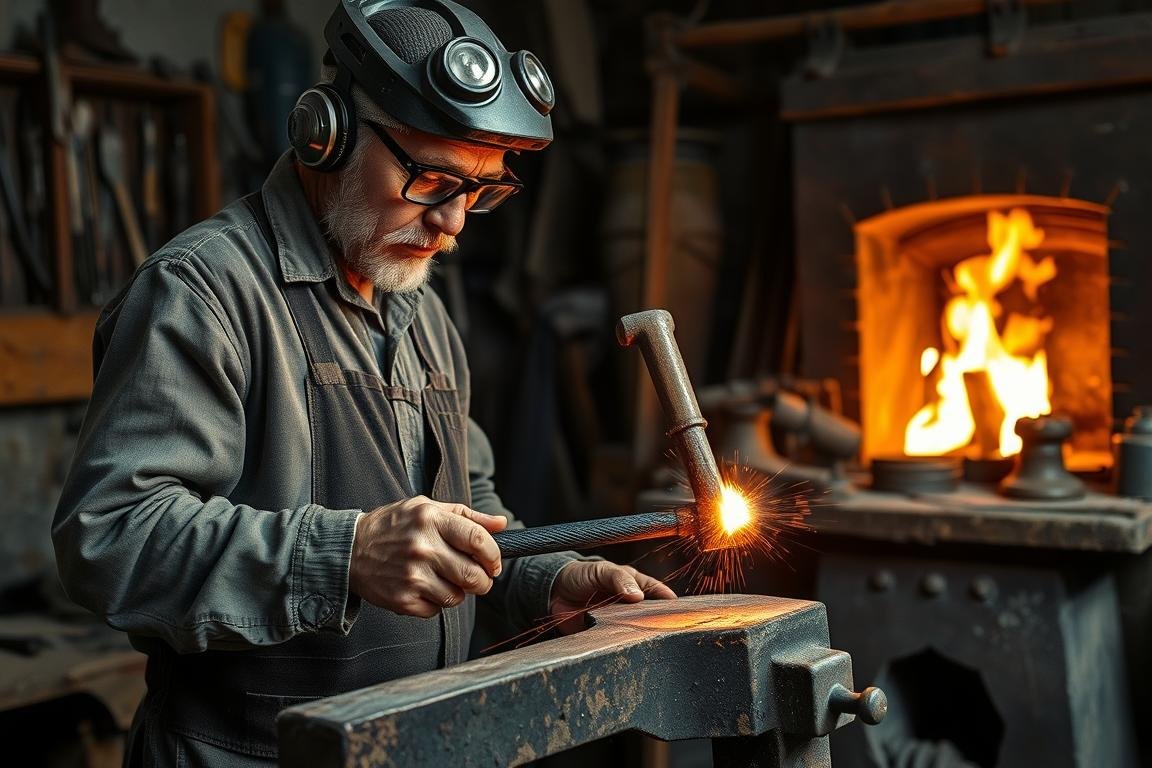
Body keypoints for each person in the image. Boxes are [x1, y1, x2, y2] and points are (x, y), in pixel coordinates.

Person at [52, 1, 675, 765]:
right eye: (431, 178)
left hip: (417, 742)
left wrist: (545, 582)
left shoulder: (423, 309)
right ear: (327, 136)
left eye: (480, 189)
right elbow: (112, 539)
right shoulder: (204, 291)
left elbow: (470, 514)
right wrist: (343, 554)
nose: (454, 223)